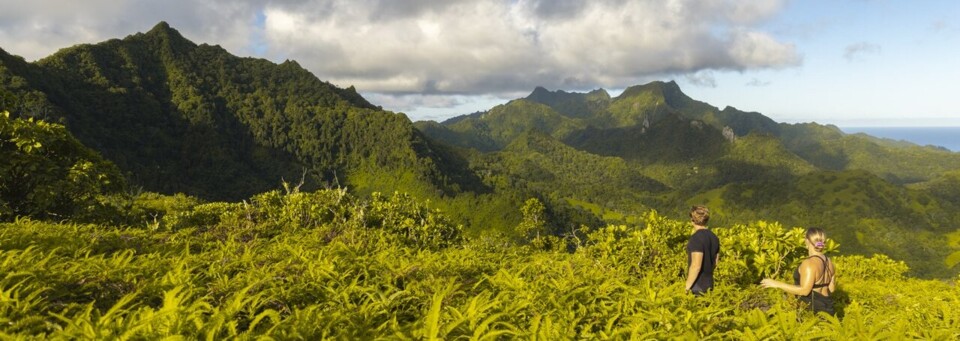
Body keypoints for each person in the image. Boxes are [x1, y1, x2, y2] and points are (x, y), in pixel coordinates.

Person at [760, 227, 836, 315]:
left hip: (812, 312)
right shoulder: (830, 262)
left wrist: (775, 283)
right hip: (829, 310)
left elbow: (804, 291)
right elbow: (832, 289)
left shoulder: (809, 263)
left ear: (807, 241)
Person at [685, 205, 720, 295]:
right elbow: (715, 262)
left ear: (692, 220)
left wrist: (687, 287)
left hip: (697, 286)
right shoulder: (714, 237)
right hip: (709, 284)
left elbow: (696, 266)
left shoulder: (696, 238)